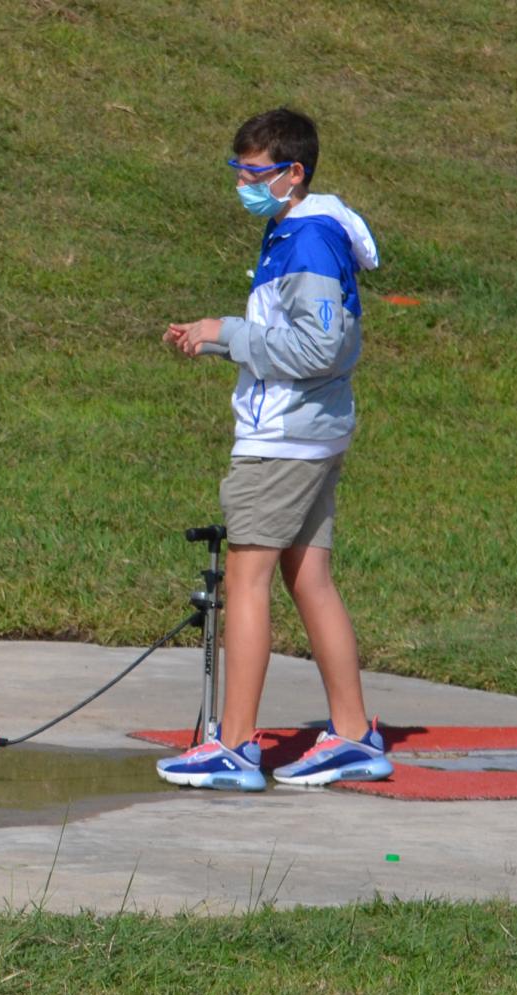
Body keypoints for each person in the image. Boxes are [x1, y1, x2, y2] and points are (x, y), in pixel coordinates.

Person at [156, 108, 392, 791]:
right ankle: (352, 734)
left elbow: (321, 347)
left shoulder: (310, 238)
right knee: (307, 577)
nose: (243, 184)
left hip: (284, 439)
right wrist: (220, 335)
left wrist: (224, 331)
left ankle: (232, 745)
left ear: (293, 172)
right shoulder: (295, 228)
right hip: (308, 431)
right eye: (237, 170)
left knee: (246, 577)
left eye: (255, 172)